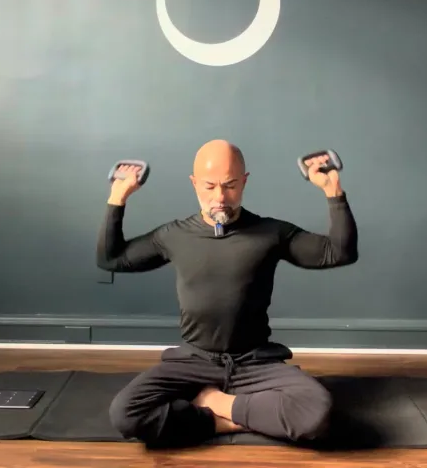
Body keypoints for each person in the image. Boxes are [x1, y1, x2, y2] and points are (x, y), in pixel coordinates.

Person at [96, 139, 359, 448]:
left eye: (230, 186)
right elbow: (111, 259)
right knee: (125, 414)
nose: (220, 197)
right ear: (194, 183)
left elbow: (339, 252)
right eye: (209, 186)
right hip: (194, 360)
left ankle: (214, 402)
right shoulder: (173, 235)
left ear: (244, 182)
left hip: (255, 363)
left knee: (317, 414)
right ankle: (232, 420)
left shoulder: (272, 232)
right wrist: (118, 196)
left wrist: (332, 190)